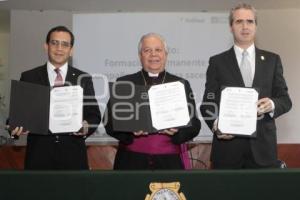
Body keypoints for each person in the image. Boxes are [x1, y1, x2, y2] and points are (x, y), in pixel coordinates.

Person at [200, 3, 292, 169]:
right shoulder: (217, 62)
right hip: (227, 151)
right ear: (230, 27)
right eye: (239, 21)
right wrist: (216, 125)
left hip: (263, 151)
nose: (245, 26)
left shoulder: (272, 60)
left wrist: (271, 104)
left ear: (256, 26)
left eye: (250, 21)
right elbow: (208, 103)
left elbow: (285, 100)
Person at [7, 26, 101, 170]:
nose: (59, 48)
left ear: (71, 50)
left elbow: (94, 115)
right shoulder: (29, 77)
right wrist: (14, 128)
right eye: (54, 43)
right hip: (38, 157)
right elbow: (18, 115)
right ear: (46, 46)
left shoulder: (84, 78)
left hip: (73, 157)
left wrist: (86, 127)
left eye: (65, 44)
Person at [104, 33, 201, 170]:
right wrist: (129, 130)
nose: (153, 55)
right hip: (131, 161)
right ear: (140, 56)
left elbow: (195, 125)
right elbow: (108, 121)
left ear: (166, 55)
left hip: (169, 162)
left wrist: (177, 131)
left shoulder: (181, 84)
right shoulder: (125, 83)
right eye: (147, 50)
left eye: (158, 50)